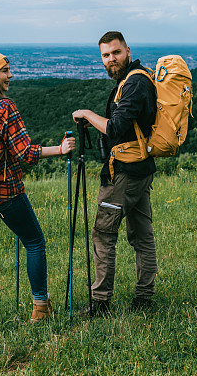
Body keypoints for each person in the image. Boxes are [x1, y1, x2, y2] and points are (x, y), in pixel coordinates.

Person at [0, 50, 76, 332]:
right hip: (6, 192)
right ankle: (40, 307)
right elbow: (25, 153)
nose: (10, 75)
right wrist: (60, 149)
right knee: (35, 242)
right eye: (5, 71)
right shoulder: (5, 107)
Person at [71, 31, 158, 315]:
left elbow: (115, 128)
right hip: (140, 169)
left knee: (103, 234)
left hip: (124, 174)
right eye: (106, 56)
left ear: (128, 50)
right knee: (141, 234)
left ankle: (100, 302)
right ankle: (143, 298)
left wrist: (86, 114)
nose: (111, 59)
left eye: (116, 53)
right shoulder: (136, 78)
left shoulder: (133, 84)